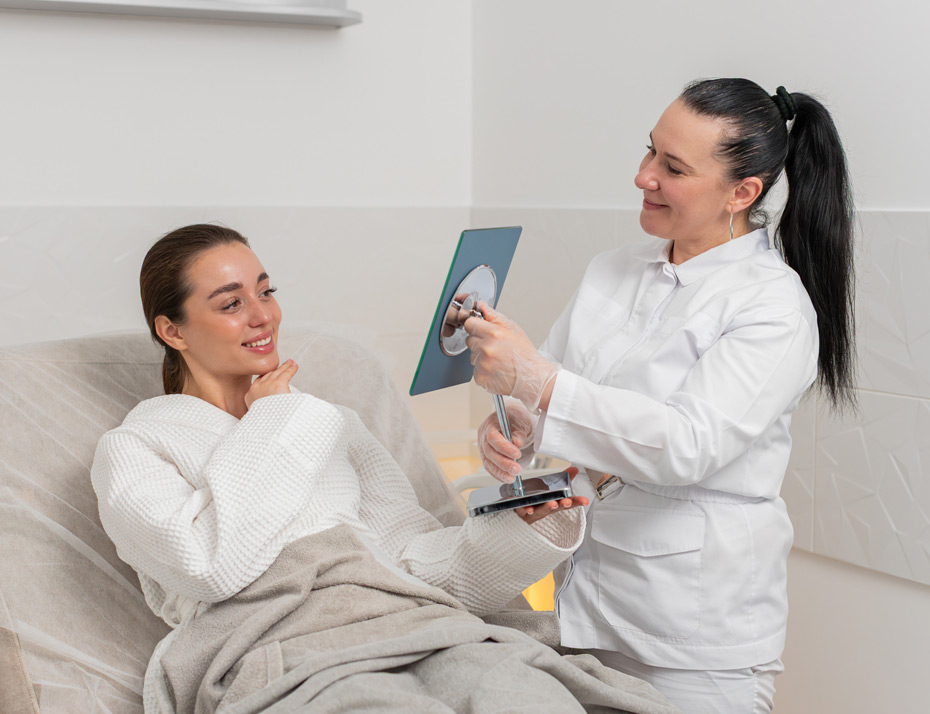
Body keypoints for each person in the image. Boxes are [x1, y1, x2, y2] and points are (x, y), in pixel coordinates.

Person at [92, 224, 690, 714]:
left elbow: (423, 568)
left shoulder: (330, 423)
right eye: (231, 303)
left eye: (266, 292)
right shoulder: (137, 448)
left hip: (414, 624)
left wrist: (521, 529)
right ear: (171, 330)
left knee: (525, 693)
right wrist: (275, 415)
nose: (262, 316)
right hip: (287, 650)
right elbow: (208, 566)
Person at [464, 78, 855, 714]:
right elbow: (554, 395)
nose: (643, 176)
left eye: (673, 167)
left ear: (742, 193)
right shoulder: (611, 269)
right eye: (650, 150)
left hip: (693, 636)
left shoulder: (772, 307)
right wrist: (515, 426)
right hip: (583, 608)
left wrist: (536, 382)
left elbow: (686, 445)